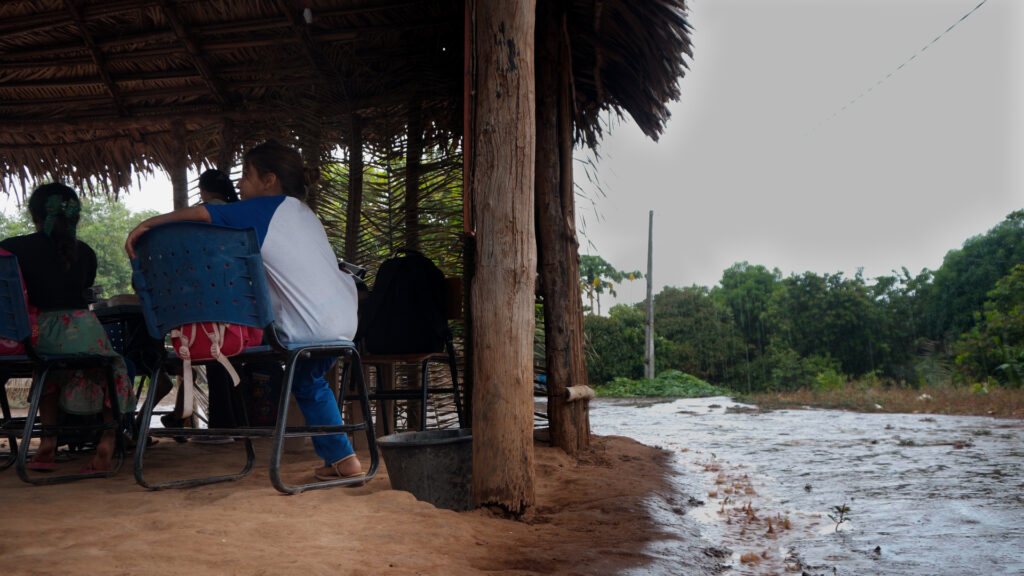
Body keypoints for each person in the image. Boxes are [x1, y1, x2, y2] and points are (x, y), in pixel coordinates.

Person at [126, 141, 364, 481]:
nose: (239, 184)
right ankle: (342, 458)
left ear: (269, 180)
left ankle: (332, 454)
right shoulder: (304, 213)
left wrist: (147, 224)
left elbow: (203, 214)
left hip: (306, 327)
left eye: (246, 176)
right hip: (342, 321)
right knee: (308, 381)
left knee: (275, 360)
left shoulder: (265, 207)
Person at [1, 183, 135, 473]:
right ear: (75, 216)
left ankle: (48, 443)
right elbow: (85, 290)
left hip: (36, 334)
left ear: (35, 214)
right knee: (114, 370)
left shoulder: (12, 248)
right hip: (85, 331)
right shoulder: (85, 252)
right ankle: (108, 440)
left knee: (47, 373)